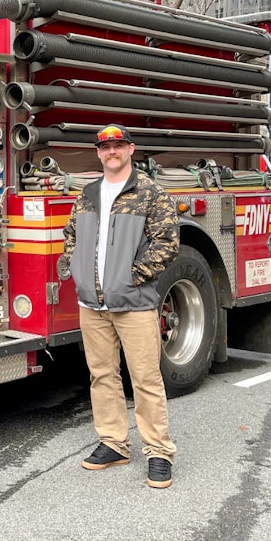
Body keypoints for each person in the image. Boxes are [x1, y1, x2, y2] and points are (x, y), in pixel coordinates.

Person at [57, 124, 179, 489]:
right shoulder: (89, 194)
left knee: (145, 378)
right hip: (90, 303)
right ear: (98, 153)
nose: (112, 151)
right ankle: (113, 443)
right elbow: (71, 235)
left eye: (119, 145)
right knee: (102, 375)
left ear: (131, 149)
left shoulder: (150, 193)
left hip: (134, 303)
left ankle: (158, 452)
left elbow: (168, 242)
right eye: (105, 147)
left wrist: (132, 276)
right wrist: (75, 270)